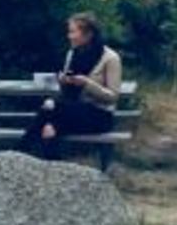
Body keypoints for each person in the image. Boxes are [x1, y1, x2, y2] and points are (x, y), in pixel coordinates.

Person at [23, 11, 122, 153]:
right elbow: (67, 93)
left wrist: (86, 83)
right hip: (73, 110)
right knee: (50, 127)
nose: (69, 36)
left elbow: (113, 97)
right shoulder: (72, 53)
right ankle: (46, 163)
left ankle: (20, 152)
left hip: (99, 115)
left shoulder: (110, 58)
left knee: (49, 110)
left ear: (88, 35)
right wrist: (64, 81)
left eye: (73, 32)